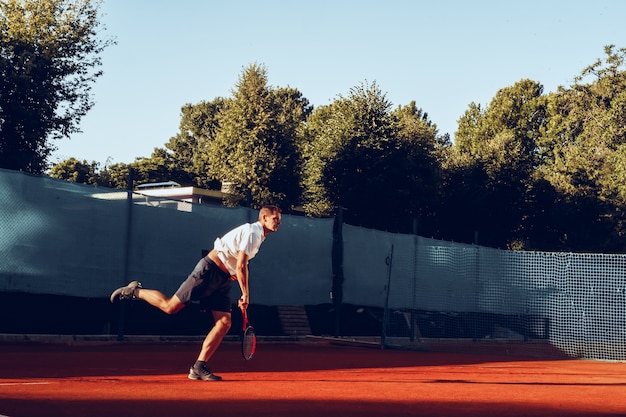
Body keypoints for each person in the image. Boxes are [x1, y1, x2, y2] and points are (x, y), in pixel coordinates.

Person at [110, 205, 282, 381]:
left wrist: (233, 276)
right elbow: (241, 265)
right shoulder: (253, 232)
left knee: (224, 323)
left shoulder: (259, 236)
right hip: (209, 271)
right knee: (170, 307)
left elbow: (236, 263)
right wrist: (245, 294)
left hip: (223, 278)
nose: (278, 223)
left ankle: (199, 366)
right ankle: (135, 291)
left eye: (279, 220)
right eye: (275, 219)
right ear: (264, 218)